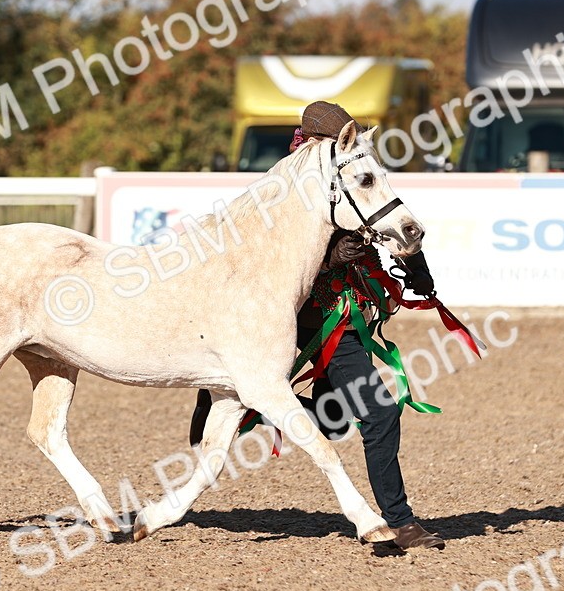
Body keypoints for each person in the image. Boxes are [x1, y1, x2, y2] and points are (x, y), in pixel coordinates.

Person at [191, 101, 445, 554]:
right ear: (312, 143)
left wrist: (416, 264)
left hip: (342, 320)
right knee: (380, 412)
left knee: (335, 421)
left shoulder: (350, 166)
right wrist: (329, 258)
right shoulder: (285, 184)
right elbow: (263, 254)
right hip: (284, 322)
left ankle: (252, 401)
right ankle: (401, 522)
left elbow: (381, 207)